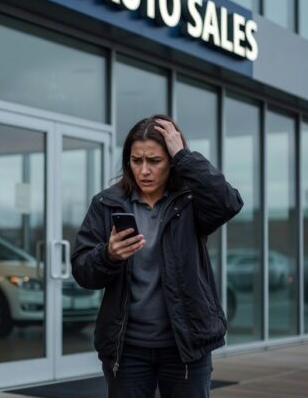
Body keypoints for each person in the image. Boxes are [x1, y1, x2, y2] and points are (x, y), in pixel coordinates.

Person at [71, 115, 243, 398]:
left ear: (171, 161)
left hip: (185, 346)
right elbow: (82, 270)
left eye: (155, 161)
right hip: (127, 350)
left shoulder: (190, 201)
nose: (144, 170)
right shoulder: (106, 203)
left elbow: (228, 203)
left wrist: (185, 156)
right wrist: (108, 255)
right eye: (136, 161)